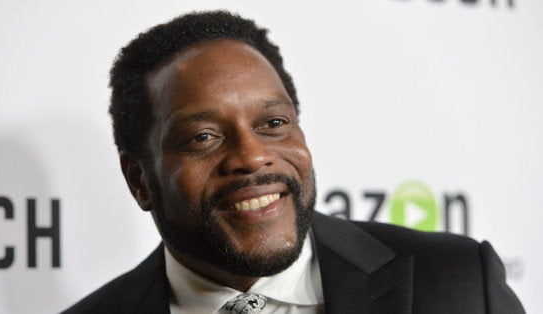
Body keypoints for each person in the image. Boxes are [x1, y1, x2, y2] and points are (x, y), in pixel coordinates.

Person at [62, 11, 524, 314]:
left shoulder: (458, 283)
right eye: (203, 137)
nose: (252, 156)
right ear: (140, 181)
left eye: (273, 123)